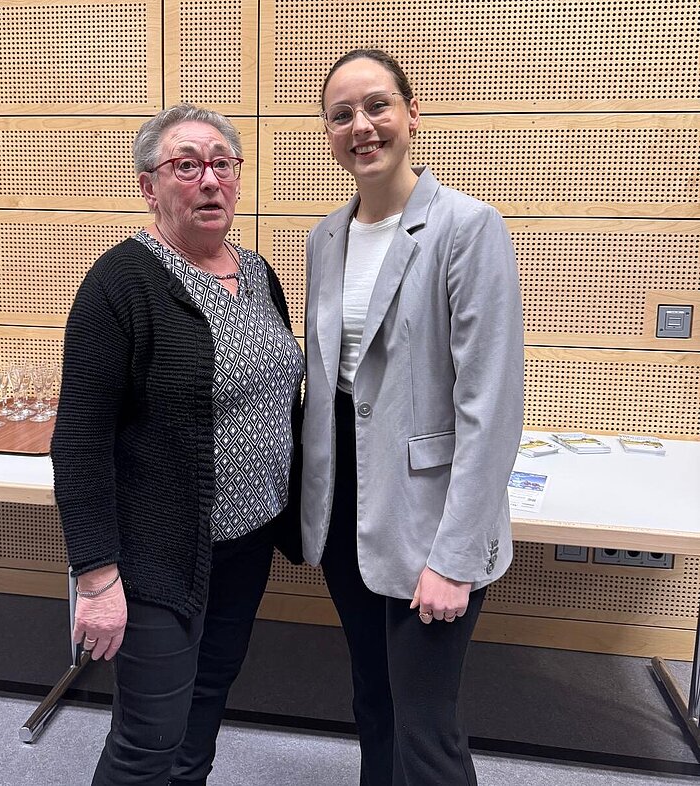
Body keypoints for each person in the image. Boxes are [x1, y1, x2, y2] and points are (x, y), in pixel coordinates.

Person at [51, 104, 304, 786]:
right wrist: (97, 577)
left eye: (223, 163)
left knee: (203, 714)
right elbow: (78, 441)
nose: (209, 180)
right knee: (150, 737)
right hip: (157, 556)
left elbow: (283, 395)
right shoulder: (119, 285)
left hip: (246, 546)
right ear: (148, 185)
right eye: (186, 165)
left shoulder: (258, 273)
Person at [300, 50, 524, 785]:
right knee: (375, 704)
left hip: (431, 521)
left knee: (426, 729)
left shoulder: (468, 226)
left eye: (376, 106)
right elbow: (333, 383)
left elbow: (490, 407)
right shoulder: (325, 237)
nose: (360, 126)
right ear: (327, 132)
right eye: (341, 114)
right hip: (346, 514)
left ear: (412, 114)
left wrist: (455, 559)